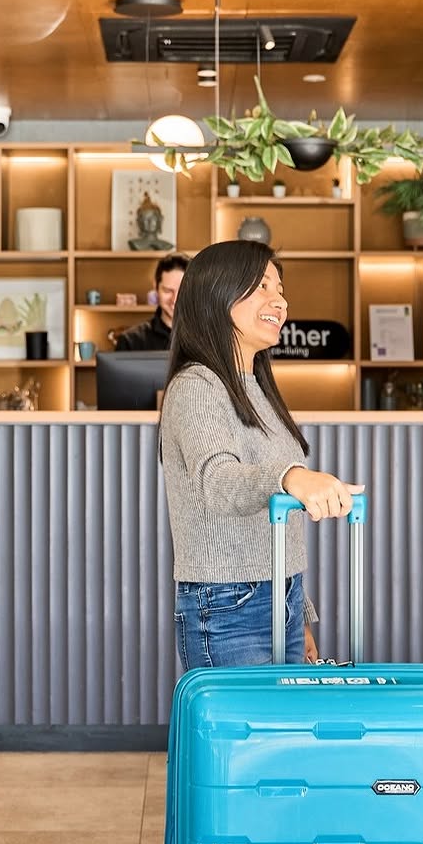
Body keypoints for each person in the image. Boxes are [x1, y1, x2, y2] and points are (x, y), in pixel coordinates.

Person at [159, 240, 362, 670]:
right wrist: (290, 477)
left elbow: (276, 524)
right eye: (262, 287)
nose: (280, 301)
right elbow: (219, 483)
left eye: (280, 289)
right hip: (225, 607)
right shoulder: (196, 386)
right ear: (217, 295)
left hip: (282, 598)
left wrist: (299, 611)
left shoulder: (258, 388)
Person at [115, 253, 189, 351]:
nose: (175, 299)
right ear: (156, 287)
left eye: (182, 290)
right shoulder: (130, 341)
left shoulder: (206, 338)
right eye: (167, 291)